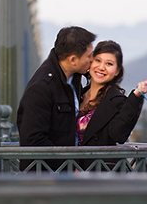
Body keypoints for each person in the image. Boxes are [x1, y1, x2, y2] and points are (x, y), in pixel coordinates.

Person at [16, 25, 96, 169]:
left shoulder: (73, 77)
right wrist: (68, 166)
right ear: (72, 60)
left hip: (66, 176)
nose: (92, 60)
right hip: (46, 180)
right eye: (89, 56)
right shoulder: (41, 88)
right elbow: (33, 141)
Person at [75, 40, 147, 162]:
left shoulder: (117, 101)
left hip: (99, 173)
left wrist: (136, 96)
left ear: (117, 71)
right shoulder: (77, 95)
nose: (101, 67)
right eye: (98, 60)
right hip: (68, 171)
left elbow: (119, 135)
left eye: (109, 64)